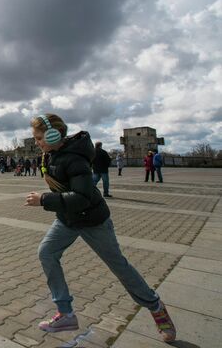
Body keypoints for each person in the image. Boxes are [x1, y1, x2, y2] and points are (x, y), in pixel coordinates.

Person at [25, 114, 176, 342]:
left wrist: (44, 200)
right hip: (68, 218)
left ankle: (156, 307)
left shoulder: (75, 159)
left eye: (38, 138)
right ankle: (65, 313)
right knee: (46, 253)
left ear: (53, 134)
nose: (37, 143)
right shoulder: (52, 154)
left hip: (93, 220)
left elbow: (83, 197)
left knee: (118, 265)